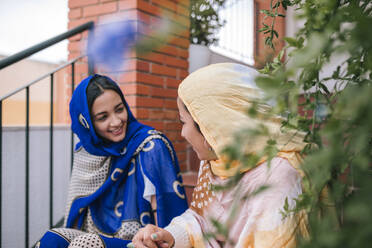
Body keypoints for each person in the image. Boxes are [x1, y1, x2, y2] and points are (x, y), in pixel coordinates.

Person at [130, 63, 309, 248]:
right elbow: (201, 220)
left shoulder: (279, 177)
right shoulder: (217, 158)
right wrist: (170, 236)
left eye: (183, 122)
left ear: (212, 128)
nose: (183, 133)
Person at [37, 74, 188, 248]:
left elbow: (164, 218)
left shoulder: (150, 146)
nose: (116, 122)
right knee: (52, 238)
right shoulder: (87, 153)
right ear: (87, 123)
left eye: (119, 109)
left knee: (85, 244)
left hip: (138, 242)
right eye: (103, 117)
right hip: (94, 236)